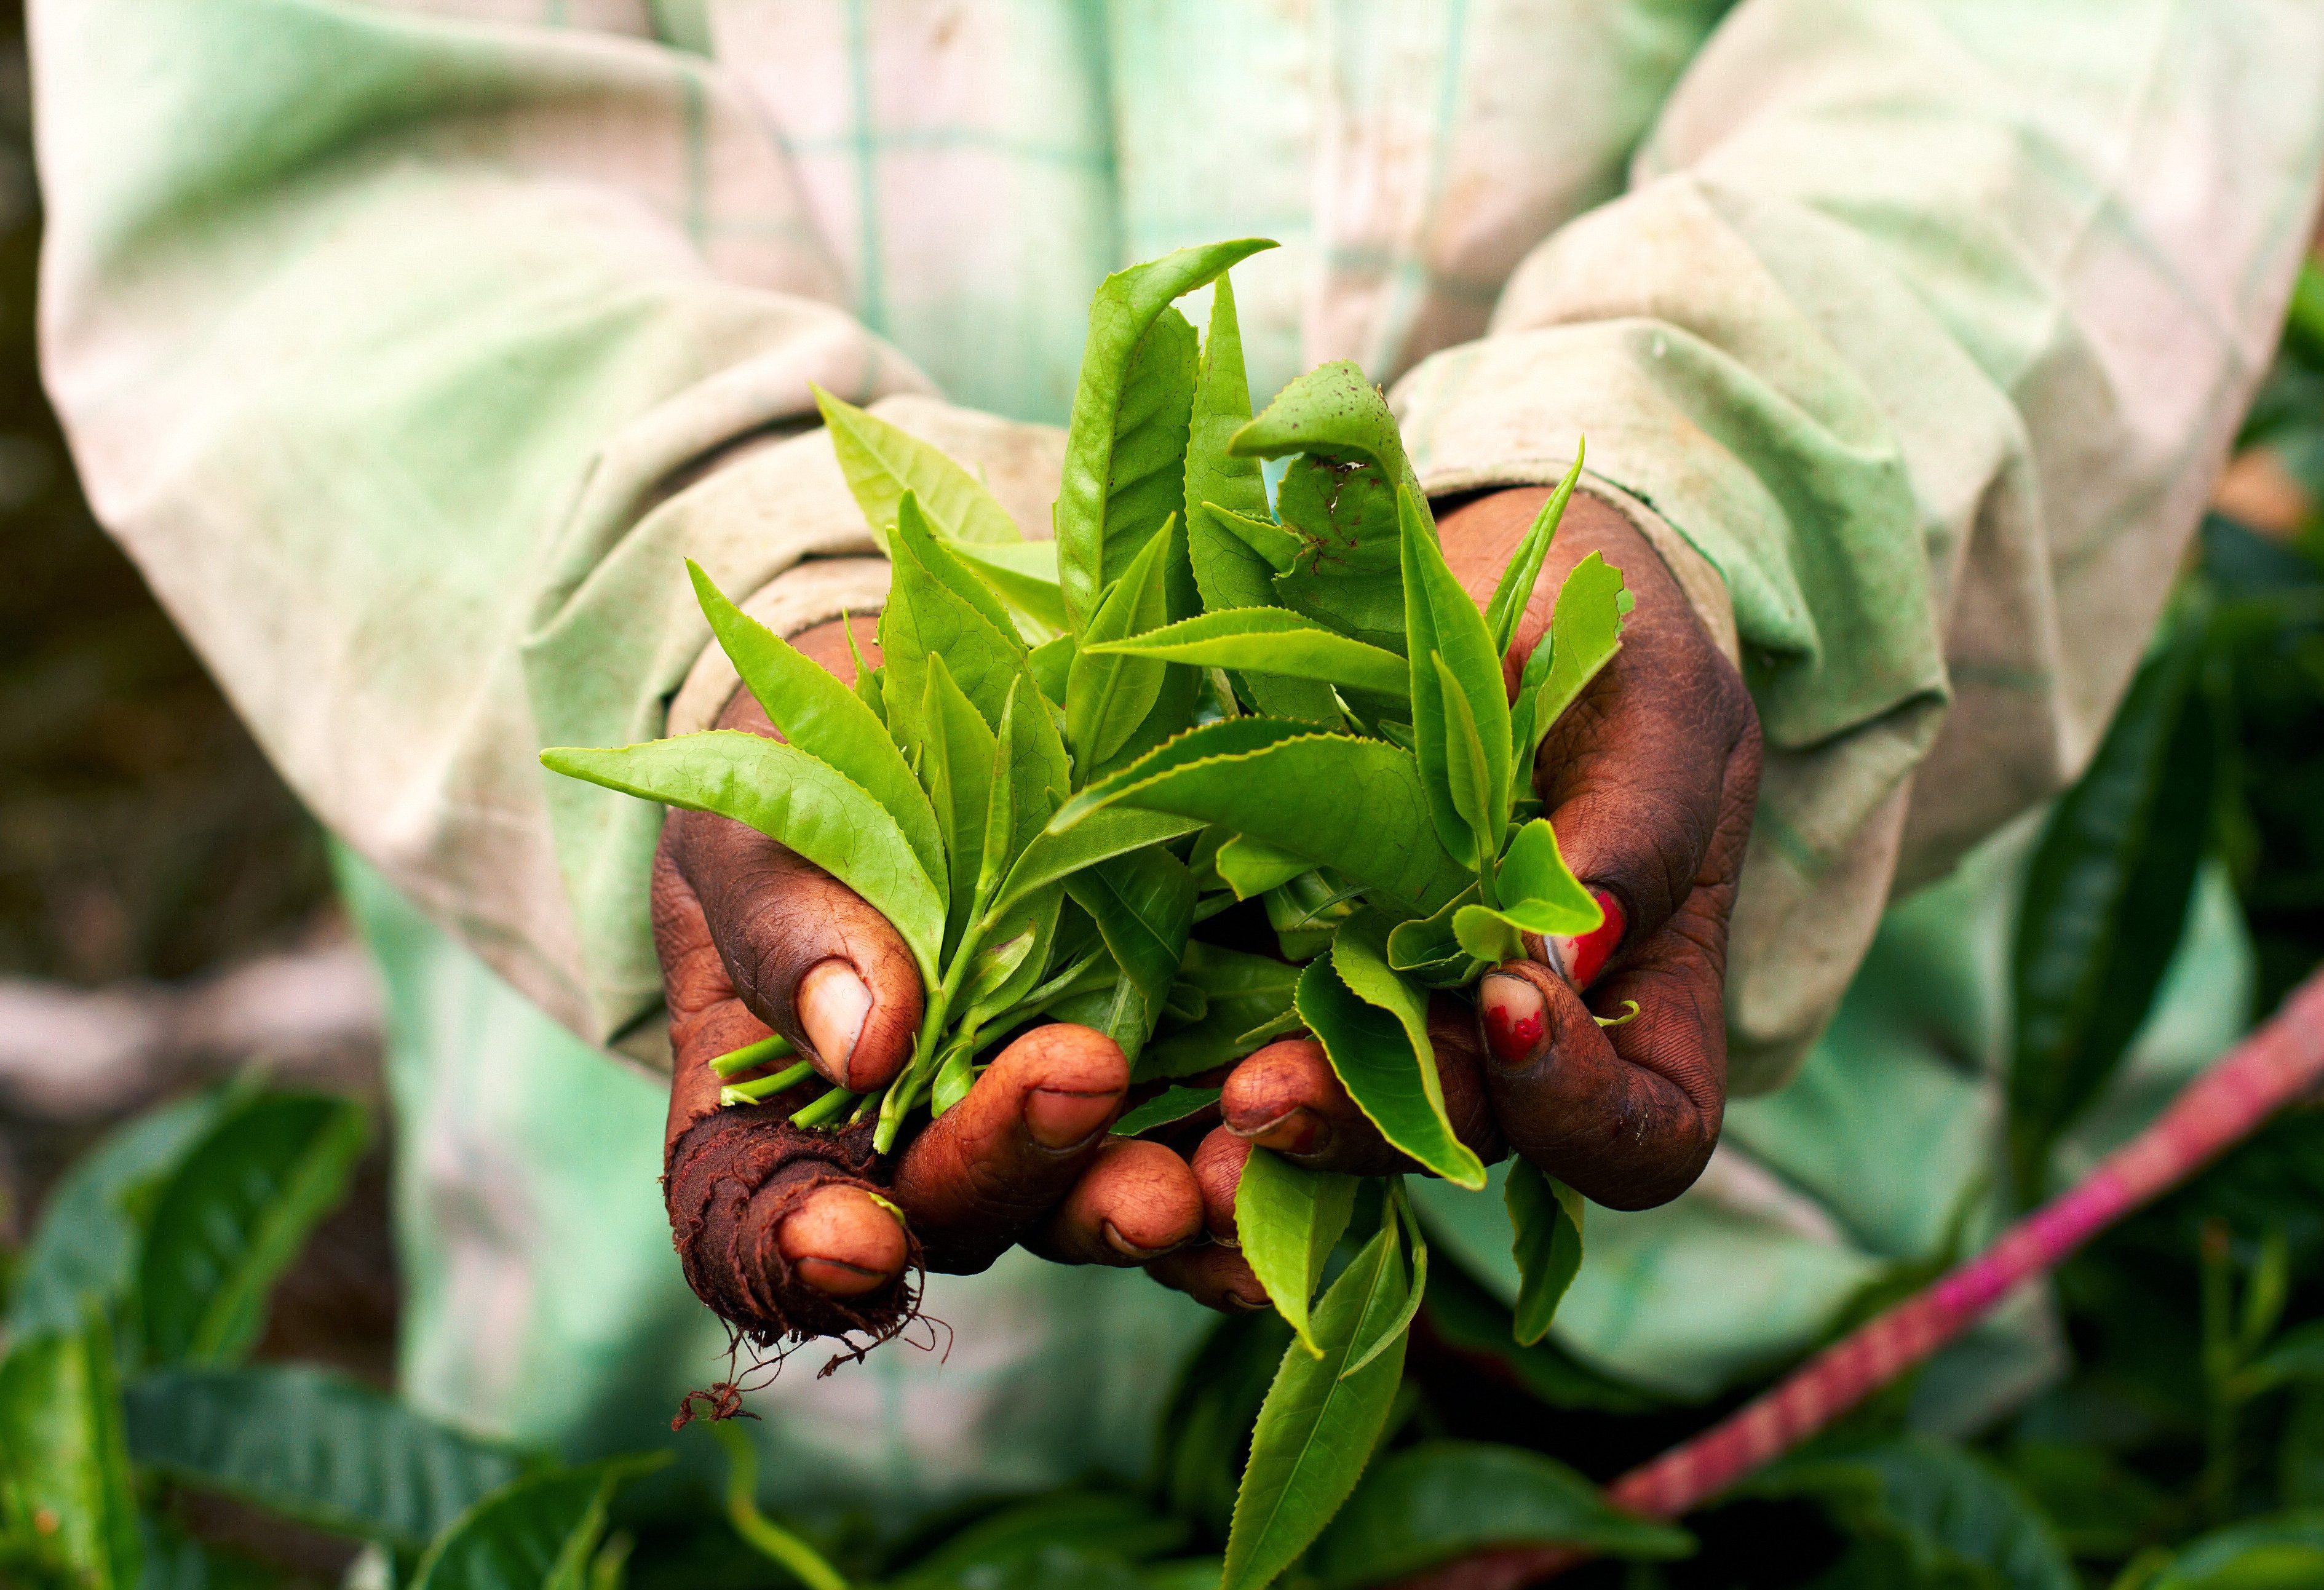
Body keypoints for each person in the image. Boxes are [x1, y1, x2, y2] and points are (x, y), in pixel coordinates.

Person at [30, 0, 2320, 1514]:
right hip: (699, 1378)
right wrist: (724, 619)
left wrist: (1705, 492)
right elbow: (317, 170)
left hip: (1843, 1242)